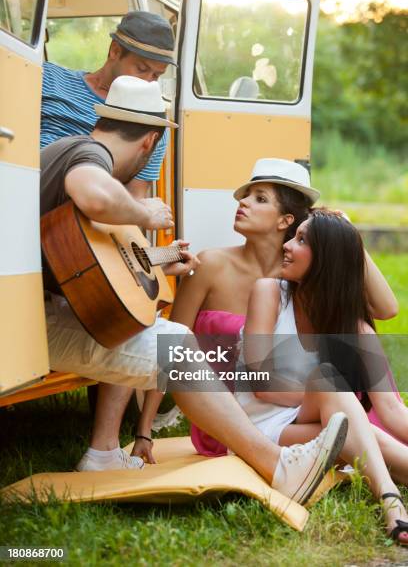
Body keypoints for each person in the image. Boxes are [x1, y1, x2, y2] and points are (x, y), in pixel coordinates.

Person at [40, 96, 348, 505]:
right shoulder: (89, 153)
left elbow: (82, 261)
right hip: (30, 320)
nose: (244, 204)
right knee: (177, 343)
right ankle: (277, 466)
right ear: (151, 141)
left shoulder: (59, 151)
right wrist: (142, 213)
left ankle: (103, 452)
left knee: (128, 320)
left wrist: (156, 260)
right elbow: (94, 196)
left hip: (42, 306)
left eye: (260, 198)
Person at [170, 159, 398, 455]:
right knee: (357, 431)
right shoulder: (213, 265)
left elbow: (386, 308)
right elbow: (173, 345)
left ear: (285, 220)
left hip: (306, 407)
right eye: (247, 195)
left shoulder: (300, 275)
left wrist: (347, 237)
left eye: (260, 198)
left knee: (360, 428)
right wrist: (144, 432)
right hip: (237, 410)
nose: (243, 202)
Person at [238, 209, 408, 544]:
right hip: (260, 428)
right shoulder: (269, 293)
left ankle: (391, 495)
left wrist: (339, 408)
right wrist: (331, 396)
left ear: (327, 258)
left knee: (369, 437)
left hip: (323, 425)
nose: (287, 245)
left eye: (301, 240)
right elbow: (261, 382)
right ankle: (391, 500)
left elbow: (393, 411)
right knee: (331, 385)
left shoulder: (355, 327)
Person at [41, 11, 176, 198]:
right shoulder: (49, 78)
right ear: (115, 51)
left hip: (87, 216)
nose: (147, 82)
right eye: (142, 69)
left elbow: (133, 198)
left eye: (156, 76)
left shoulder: (153, 125)